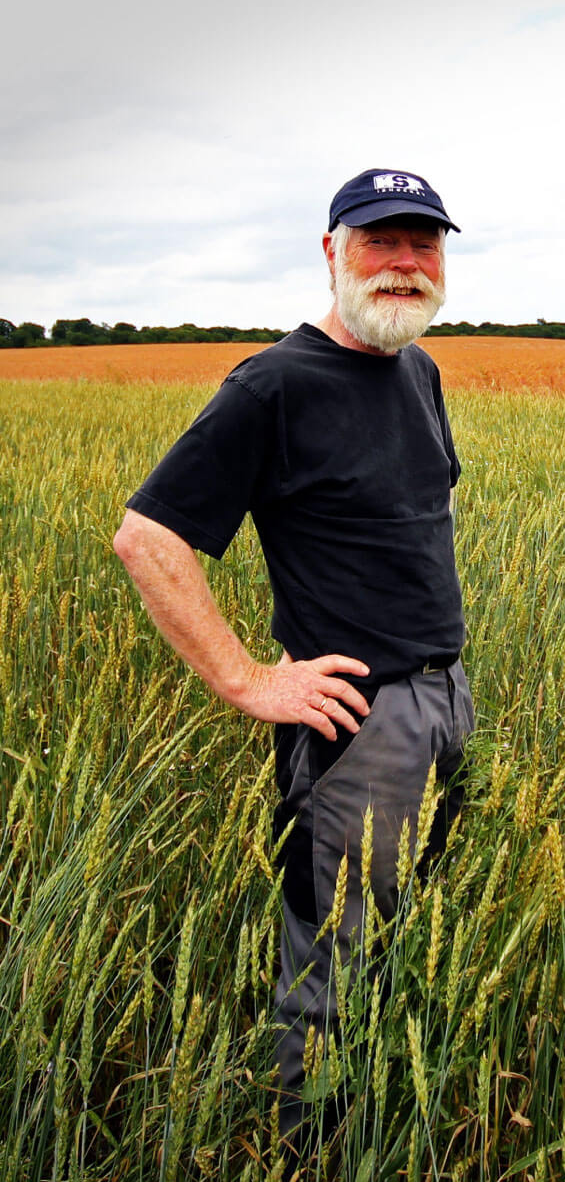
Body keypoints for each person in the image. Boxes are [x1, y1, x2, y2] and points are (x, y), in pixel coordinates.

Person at [113, 167, 474, 1169]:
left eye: (423, 244)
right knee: (331, 963)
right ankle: (315, 1150)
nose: (404, 263)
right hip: (356, 730)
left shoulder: (418, 371)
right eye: (379, 241)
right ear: (331, 252)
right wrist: (246, 679)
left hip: (444, 701)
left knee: (405, 935)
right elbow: (148, 537)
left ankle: (384, 1117)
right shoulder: (273, 385)